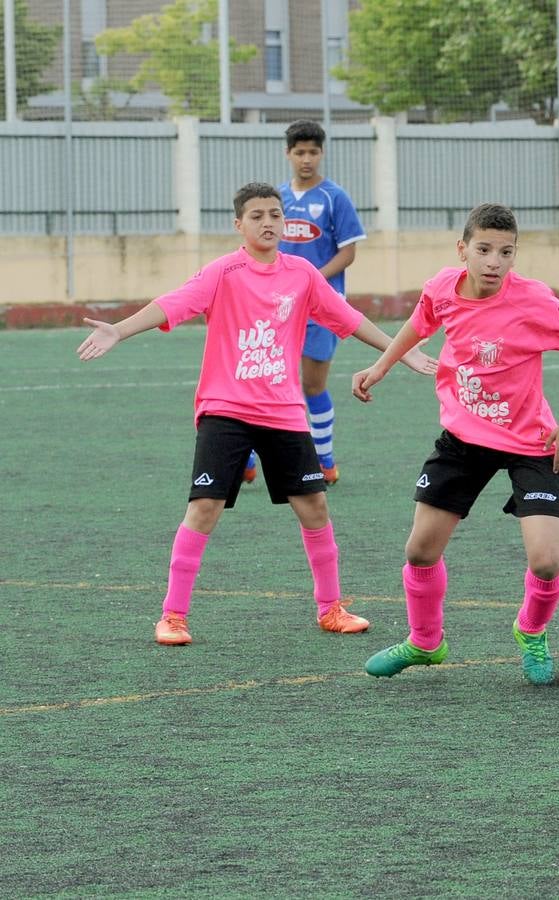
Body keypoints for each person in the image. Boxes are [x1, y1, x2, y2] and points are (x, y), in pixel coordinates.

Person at [75, 182, 434, 646]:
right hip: (225, 410)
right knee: (205, 507)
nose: (268, 223)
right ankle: (173, 616)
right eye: (257, 215)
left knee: (315, 507)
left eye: (275, 214)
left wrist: (399, 351)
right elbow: (174, 303)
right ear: (238, 224)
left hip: (283, 412)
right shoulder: (224, 272)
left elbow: (346, 317)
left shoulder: (303, 274)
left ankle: (330, 608)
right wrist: (119, 331)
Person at [352, 204, 559, 685]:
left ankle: (531, 632)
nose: (494, 261)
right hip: (462, 438)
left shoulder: (534, 300)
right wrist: (381, 366)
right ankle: (426, 642)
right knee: (420, 552)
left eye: (506, 252)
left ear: (515, 255)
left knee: (547, 559)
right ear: (463, 250)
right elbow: (420, 322)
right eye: (484, 250)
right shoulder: (442, 288)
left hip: (530, 441)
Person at [246, 120, 367, 486]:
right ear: (288, 154)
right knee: (266, 378)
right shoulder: (277, 199)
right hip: (279, 306)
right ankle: (248, 455)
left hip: (322, 308)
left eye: (313, 152)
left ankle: (325, 459)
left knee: (312, 384)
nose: (306, 159)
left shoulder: (334, 197)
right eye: (299, 152)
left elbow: (348, 252)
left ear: (322, 153)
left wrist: (312, 280)